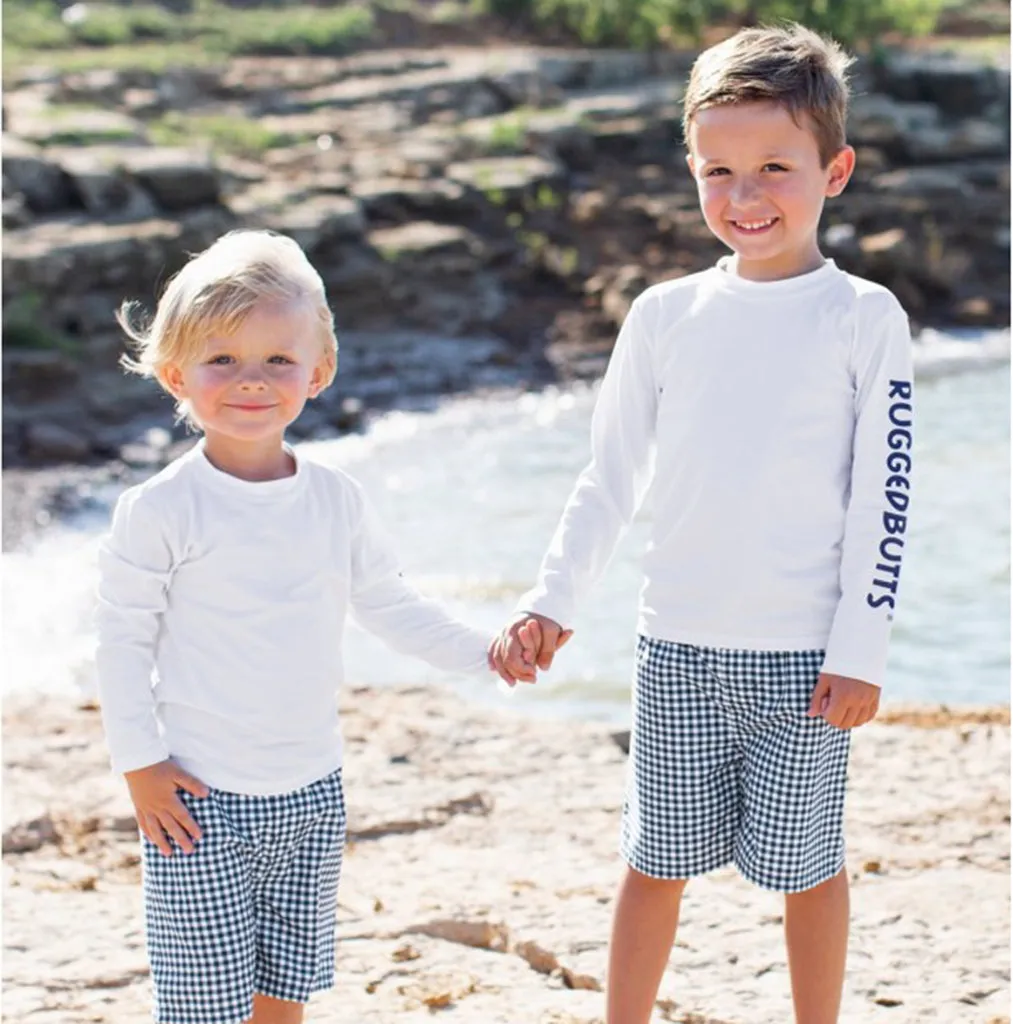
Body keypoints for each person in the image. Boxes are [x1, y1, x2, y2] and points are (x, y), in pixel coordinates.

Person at [490, 22, 914, 1024]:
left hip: (806, 660)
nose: (745, 195)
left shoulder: (864, 318)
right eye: (717, 170)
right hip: (675, 648)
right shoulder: (663, 315)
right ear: (690, 171)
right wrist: (551, 601)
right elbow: (609, 475)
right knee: (654, 857)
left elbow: (885, 503)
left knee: (806, 867)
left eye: (775, 166)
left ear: (835, 169)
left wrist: (861, 649)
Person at [95, 230, 493, 1024]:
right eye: (223, 361)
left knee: (285, 994)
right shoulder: (162, 509)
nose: (252, 382)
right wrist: (140, 764)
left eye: (278, 360)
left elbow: (390, 604)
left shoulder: (335, 499)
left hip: (311, 795)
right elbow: (122, 642)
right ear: (175, 373)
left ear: (320, 371)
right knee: (204, 1005)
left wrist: (486, 652)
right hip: (197, 801)